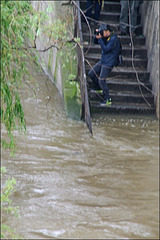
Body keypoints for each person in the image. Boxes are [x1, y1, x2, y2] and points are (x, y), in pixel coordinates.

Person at [88, 24, 120, 105]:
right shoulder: (105, 36)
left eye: (102, 32)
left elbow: (106, 49)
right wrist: (96, 36)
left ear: (107, 31)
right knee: (91, 73)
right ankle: (98, 88)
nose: (102, 33)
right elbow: (95, 42)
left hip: (109, 62)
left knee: (102, 80)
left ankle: (107, 99)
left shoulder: (113, 38)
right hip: (103, 60)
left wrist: (100, 40)